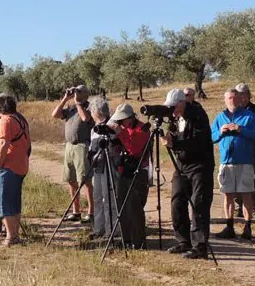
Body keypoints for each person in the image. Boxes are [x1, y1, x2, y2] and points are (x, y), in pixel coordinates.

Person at [160, 88, 215, 259]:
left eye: (174, 106)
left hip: (200, 165)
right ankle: (183, 241)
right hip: (182, 165)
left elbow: (197, 143)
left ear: (182, 103)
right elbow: (174, 134)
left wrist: (174, 143)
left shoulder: (198, 115)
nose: (172, 110)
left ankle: (200, 246)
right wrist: (168, 137)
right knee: (177, 200)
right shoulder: (175, 118)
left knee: (199, 203)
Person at [212, 88, 255, 240]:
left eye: (234, 98)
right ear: (225, 100)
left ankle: (247, 228)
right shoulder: (220, 117)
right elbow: (211, 137)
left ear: (240, 99)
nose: (232, 101)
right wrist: (220, 132)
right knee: (227, 194)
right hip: (226, 161)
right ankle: (229, 227)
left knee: (246, 194)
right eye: (229, 98)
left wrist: (241, 129)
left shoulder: (248, 116)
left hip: (245, 161)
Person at [0, 94, 31, 246]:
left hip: (8, 166)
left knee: (4, 203)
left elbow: (4, 143)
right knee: (14, 202)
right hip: (19, 164)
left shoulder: (5, 121)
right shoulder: (19, 119)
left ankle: (10, 237)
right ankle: (15, 235)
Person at [107, 103, 151, 249]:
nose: (120, 123)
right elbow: (119, 146)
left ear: (130, 118)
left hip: (138, 171)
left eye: (122, 120)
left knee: (135, 206)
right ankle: (125, 239)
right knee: (122, 205)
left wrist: (120, 133)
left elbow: (134, 148)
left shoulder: (142, 129)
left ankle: (138, 241)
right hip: (123, 170)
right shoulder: (124, 128)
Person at [51, 85, 95, 223]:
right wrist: (65, 98)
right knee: (71, 180)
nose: (76, 93)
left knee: (86, 181)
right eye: (76, 91)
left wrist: (77, 103)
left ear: (86, 94)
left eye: (79, 91)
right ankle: (76, 211)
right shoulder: (70, 108)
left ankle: (91, 213)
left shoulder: (89, 107)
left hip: (82, 145)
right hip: (70, 146)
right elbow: (55, 114)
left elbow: (85, 119)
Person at [87, 97, 120, 240]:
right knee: (97, 198)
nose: (91, 115)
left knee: (109, 199)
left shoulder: (111, 125)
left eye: (92, 112)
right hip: (98, 167)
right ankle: (98, 228)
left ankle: (111, 229)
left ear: (96, 112)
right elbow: (92, 148)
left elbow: (115, 146)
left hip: (109, 166)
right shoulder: (95, 128)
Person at [234, 83, 255, 219]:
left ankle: (253, 208)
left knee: (254, 179)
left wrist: (241, 128)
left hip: (252, 148)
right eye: (239, 94)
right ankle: (238, 208)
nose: (242, 97)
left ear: (249, 95)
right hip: (237, 149)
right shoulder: (232, 109)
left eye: (244, 94)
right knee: (235, 178)